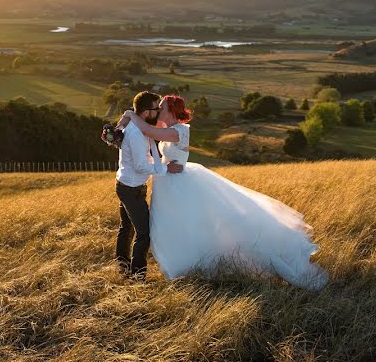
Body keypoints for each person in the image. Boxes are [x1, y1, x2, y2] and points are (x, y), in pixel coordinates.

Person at [118, 94, 328, 290]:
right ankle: (179, 264)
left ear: (171, 110)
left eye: (161, 107)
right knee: (174, 226)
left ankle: (195, 263)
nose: (158, 111)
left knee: (194, 225)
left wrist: (129, 116)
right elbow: (147, 128)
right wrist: (122, 126)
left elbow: (147, 129)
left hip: (178, 183)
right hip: (167, 184)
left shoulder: (180, 131)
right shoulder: (166, 127)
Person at [114, 91, 184, 280]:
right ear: (146, 112)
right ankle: (138, 276)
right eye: (156, 109)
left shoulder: (142, 128)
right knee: (144, 233)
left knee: (126, 226)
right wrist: (165, 168)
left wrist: (129, 116)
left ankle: (121, 264)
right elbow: (140, 165)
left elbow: (151, 147)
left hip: (130, 185)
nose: (158, 111)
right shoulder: (136, 134)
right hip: (130, 189)